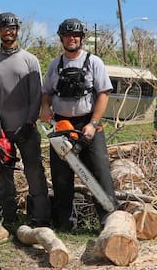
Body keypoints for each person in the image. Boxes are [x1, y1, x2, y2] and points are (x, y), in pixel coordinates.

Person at [40, 18, 119, 231]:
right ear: (62, 38)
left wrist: (93, 124)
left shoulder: (95, 62)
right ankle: (64, 223)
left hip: (88, 124)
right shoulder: (55, 65)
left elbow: (103, 94)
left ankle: (109, 221)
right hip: (61, 127)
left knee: (99, 172)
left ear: (82, 38)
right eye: (67, 35)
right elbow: (46, 92)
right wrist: (45, 108)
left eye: (75, 35)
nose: (71, 38)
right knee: (61, 177)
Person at [0, 12, 51, 227]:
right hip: (1, 131)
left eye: (11, 28)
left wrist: (29, 122)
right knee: (4, 177)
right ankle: (9, 218)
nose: (8, 32)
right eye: (3, 28)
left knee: (34, 172)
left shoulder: (29, 60)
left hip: (26, 129)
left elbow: (36, 95)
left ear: (17, 31)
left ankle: (41, 218)